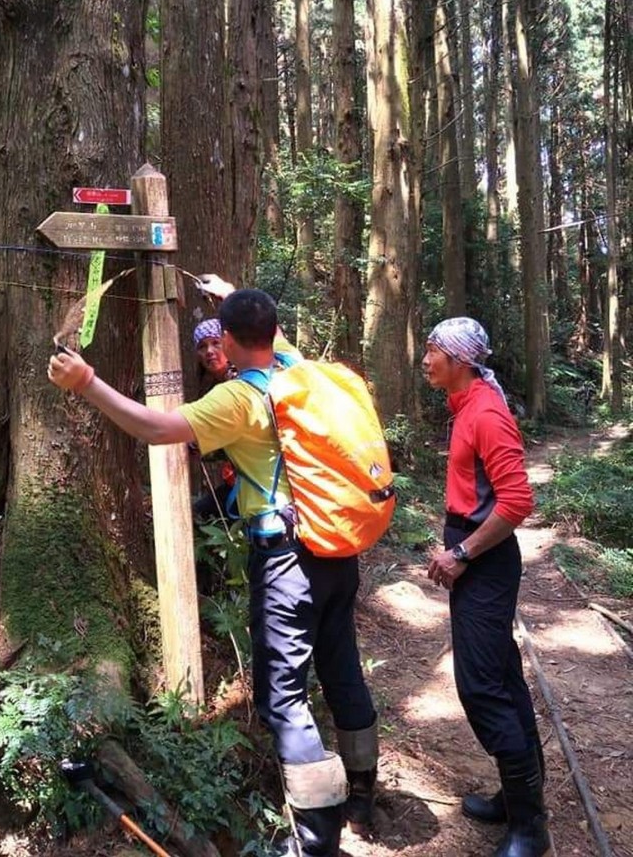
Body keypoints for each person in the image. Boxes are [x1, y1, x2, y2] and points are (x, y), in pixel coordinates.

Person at [49, 278, 379, 856]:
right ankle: (363, 796)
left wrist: (87, 383)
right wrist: (229, 295)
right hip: (337, 549)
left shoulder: (240, 398)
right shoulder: (298, 371)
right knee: (342, 668)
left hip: (287, 562)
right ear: (275, 331)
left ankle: (316, 842)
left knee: (285, 700)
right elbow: (271, 337)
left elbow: (157, 428)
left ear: (224, 342)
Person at [422, 317, 551, 857]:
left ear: (458, 360)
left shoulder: (488, 413)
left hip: (486, 560)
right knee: (499, 673)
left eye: (432, 351)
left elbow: (518, 502)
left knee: (480, 686)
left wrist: (460, 553)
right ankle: (519, 799)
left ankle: (529, 828)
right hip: (476, 554)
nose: (425, 360)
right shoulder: (466, 405)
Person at [190, 317, 237, 522]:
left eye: (216, 343)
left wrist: (201, 443)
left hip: (257, 483)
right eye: (202, 346)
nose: (209, 351)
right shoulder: (214, 387)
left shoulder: (239, 381)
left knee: (201, 515)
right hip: (237, 481)